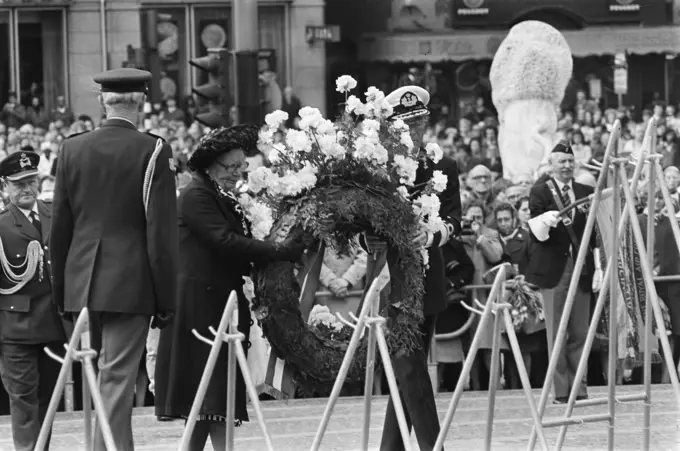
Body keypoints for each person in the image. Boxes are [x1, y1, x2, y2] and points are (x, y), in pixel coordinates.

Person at [154, 125, 305, 451]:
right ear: (210, 167)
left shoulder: (220, 195)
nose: (237, 173)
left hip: (220, 300)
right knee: (209, 396)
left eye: (241, 166)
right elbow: (226, 242)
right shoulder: (196, 196)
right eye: (230, 167)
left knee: (213, 401)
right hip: (202, 306)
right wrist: (278, 251)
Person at [50, 68, 178, 450]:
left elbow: (60, 228)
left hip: (81, 281)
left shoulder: (71, 148)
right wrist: (165, 298)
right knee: (117, 379)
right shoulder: (153, 149)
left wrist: (61, 293)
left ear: (102, 102)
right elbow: (160, 235)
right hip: (130, 282)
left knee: (101, 380)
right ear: (142, 103)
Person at [372, 85, 462, 451]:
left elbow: (454, 218)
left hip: (429, 274)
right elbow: (364, 224)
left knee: (408, 370)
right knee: (409, 369)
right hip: (392, 279)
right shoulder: (377, 166)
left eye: (419, 123)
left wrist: (429, 237)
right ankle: (432, 445)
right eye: (407, 125)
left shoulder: (444, 165)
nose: (414, 131)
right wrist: (371, 241)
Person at [525, 140, 603, 403]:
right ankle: (561, 390)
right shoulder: (540, 191)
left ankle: (579, 389)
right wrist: (543, 222)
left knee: (581, 332)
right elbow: (535, 232)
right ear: (552, 164)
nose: (567, 166)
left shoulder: (585, 190)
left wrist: (599, 266)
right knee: (557, 333)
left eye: (571, 161)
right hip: (554, 269)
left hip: (582, 267)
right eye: (562, 161)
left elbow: (594, 232)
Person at [0, 150, 65, 451]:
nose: (26, 189)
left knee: (48, 400)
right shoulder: (2, 225)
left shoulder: (56, 214)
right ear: (5, 187)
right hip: (17, 327)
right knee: (24, 400)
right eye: (18, 184)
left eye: (31, 181)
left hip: (54, 323)